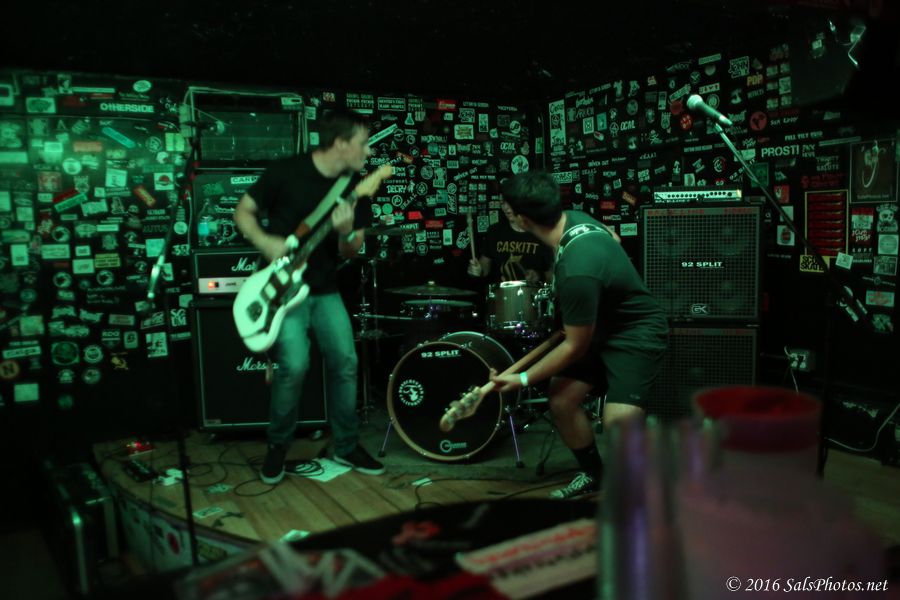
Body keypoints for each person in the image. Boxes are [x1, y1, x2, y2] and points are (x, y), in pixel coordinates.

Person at [484, 170, 668, 499]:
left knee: (618, 423)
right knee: (561, 400)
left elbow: (574, 347)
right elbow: (614, 238)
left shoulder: (576, 272)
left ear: (523, 220)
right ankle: (594, 474)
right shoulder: (576, 218)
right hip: (598, 326)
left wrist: (521, 379)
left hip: (634, 332)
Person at [233, 108, 385, 484]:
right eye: (363, 143)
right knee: (294, 367)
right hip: (282, 289)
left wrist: (346, 231)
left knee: (345, 362)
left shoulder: (356, 187)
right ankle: (277, 447)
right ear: (341, 143)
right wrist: (266, 242)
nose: (368, 151)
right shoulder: (285, 172)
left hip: (324, 287)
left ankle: (346, 445)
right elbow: (243, 212)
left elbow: (351, 249)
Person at [466, 200, 554, 284]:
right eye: (502, 202)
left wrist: (539, 276)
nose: (506, 207)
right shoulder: (495, 231)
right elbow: (484, 268)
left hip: (533, 293)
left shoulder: (542, 234)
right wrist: (477, 270)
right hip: (501, 293)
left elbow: (553, 277)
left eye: (510, 202)